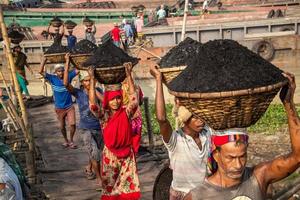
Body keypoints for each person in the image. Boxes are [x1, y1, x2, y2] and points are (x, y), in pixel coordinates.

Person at [184, 73, 300, 200]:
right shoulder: (198, 196)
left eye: (242, 156)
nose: (238, 165)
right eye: (231, 157)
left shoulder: (258, 177)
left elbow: (297, 157)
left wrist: (288, 103)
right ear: (216, 155)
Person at [150, 65, 213, 200]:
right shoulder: (176, 140)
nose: (200, 121)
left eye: (202, 117)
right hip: (181, 195)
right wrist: (158, 79)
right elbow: (161, 119)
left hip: (204, 194)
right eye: (195, 117)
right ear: (185, 119)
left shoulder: (206, 133)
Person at [93, 62, 140, 200]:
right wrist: (91, 82)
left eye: (118, 97)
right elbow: (93, 105)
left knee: (128, 187)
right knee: (110, 188)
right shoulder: (105, 116)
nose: (116, 101)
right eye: (113, 99)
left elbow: (134, 98)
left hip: (127, 155)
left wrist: (128, 75)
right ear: (108, 99)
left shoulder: (126, 112)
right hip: (110, 156)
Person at [63, 53, 103, 188]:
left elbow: (104, 101)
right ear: (81, 83)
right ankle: (99, 178)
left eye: (89, 80)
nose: (87, 82)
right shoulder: (78, 93)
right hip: (85, 128)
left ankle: (89, 167)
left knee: (95, 152)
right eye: (85, 81)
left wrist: (93, 84)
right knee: (95, 152)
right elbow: (65, 83)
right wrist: (67, 62)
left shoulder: (98, 90)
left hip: (99, 127)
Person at [39, 58, 79, 149]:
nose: (60, 73)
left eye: (62, 71)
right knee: (62, 127)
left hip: (69, 107)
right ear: (55, 72)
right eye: (58, 71)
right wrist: (44, 60)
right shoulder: (52, 78)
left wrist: (71, 60)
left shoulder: (68, 76)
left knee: (72, 124)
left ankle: (71, 140)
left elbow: (77, 70)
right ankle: (66, 140)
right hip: (59, 108)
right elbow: (40, 71)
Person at [122, 77, 144, 155]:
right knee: (135, 139)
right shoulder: (137, 87)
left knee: (125, 138)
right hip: (137, 118)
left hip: (125, 116)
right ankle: (134, 155)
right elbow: (141, 101)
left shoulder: (120, 88)